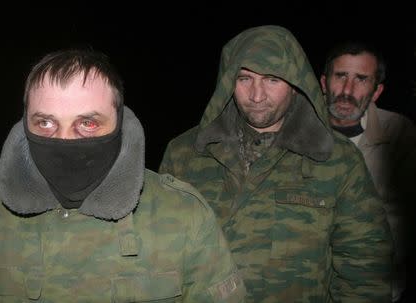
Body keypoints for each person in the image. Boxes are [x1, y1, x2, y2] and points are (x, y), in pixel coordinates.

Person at [0, 49, 246, 302]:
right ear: (25, 124)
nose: (64, 141)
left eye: (87, 123)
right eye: (46, 122)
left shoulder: (184, 217)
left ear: (119, 125)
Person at [159, 25, 392, 302]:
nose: (257, 96)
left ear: (296, 85)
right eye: (245, 79)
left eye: (272, 80)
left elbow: (364, 269)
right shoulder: (185, 153)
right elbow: (160, 256)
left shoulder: (337, 160)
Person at [320, 41, 416, 302]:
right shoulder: (295, 129)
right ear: (323, 83)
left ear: (376, 92)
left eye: (361, 79)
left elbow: (403, 222)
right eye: (340, 76)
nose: (347, 91)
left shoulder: (399, 133)